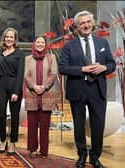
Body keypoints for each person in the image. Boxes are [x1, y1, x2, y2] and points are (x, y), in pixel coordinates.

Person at [58, 10, 116, 168]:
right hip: (78, 90)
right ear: (76, 27)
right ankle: (82, 155)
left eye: (88, 22)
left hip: (97, 90)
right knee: (79, 125)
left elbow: (112, 64)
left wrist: (104, 67)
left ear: (93, 23)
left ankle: (95, 156)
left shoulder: (102, 43)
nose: (86, 25)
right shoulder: (69, 46)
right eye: (82, 23)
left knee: (98, 126)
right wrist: (82, 69)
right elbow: (62, 68)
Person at [24, 36, 58, 158]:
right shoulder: (27, 58)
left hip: (47, 94)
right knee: (32, 125)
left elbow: (53, 74)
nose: (40, 44)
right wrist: (34, 86)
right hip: (32, 94)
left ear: (45, 44)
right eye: (37, 42)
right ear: (34, 44)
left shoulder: (51, 58)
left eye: (42, 42)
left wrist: (43, 87)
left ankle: (44, 151)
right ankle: (32, 149)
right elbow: (26, 75)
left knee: (44, 126)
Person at [0, 27, 25, 155]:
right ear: (4, 38)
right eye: (7, 37)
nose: (9, 39)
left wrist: (16, 92)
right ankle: (3, 141)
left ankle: (13, 142)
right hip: (1, 85)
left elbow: (20, 74)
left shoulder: (20, 54)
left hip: (14, 85)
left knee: (14, 117)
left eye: (11, 37)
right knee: (1, 115)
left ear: (15, 39)